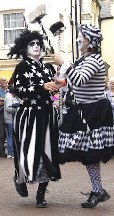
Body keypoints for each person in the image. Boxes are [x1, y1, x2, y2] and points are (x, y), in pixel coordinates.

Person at [52, 24, 114, 208]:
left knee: (90, 154)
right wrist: (62, 81)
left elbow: (79, 79)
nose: (79, 40)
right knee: (89, 155)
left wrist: (64, 64)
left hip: (94, 113)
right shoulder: (84, 59)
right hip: (82, 111)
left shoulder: (94, 60)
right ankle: (98, 190)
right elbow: (75, 81)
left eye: (81, 37)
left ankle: (98, 190)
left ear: (90, 41)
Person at [7, 30, 61, 208]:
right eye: (32, 44)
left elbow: (54, 90)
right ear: (25, 48)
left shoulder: (48, 67)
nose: (36, 46)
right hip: (29, 115)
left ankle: (41, 194)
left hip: (47, 114)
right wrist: (41, 86)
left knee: (48, 152)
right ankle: (20, 178)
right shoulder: (22, 67)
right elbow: (18, 90)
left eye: (38, 43)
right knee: (27, 151)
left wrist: (55, 88)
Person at [4, 87, 20, 158]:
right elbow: (8, 108)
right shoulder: (9, 97)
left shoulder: (11, 97)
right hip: (10, 119)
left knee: (11, 135)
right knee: (11, 136)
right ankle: (11, 152)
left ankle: (11, 152)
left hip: (11, 119)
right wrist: (17, 109)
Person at [0, 77, 9, 157]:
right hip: (0, 114)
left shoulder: (9, 91)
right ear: (0, 82)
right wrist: (7, 100)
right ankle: (2, 152)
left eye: (6, 80)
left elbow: (12, 101)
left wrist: (2, 99)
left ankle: (10, 151)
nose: (5, 82)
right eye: (3, 81)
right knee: (1, 133)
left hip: (9, 114)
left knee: (10, 133)